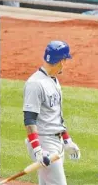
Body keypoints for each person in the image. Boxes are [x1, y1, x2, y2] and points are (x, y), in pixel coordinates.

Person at [23, 41, 81, 185]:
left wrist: (67, 140)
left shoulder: (53, 80)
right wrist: (38, 150)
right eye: (65, 60)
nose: (65, 63)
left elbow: (55, 116)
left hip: (56, 142)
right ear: (61, 60)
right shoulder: (35, 84)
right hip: (44, 144)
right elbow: (29, 120)